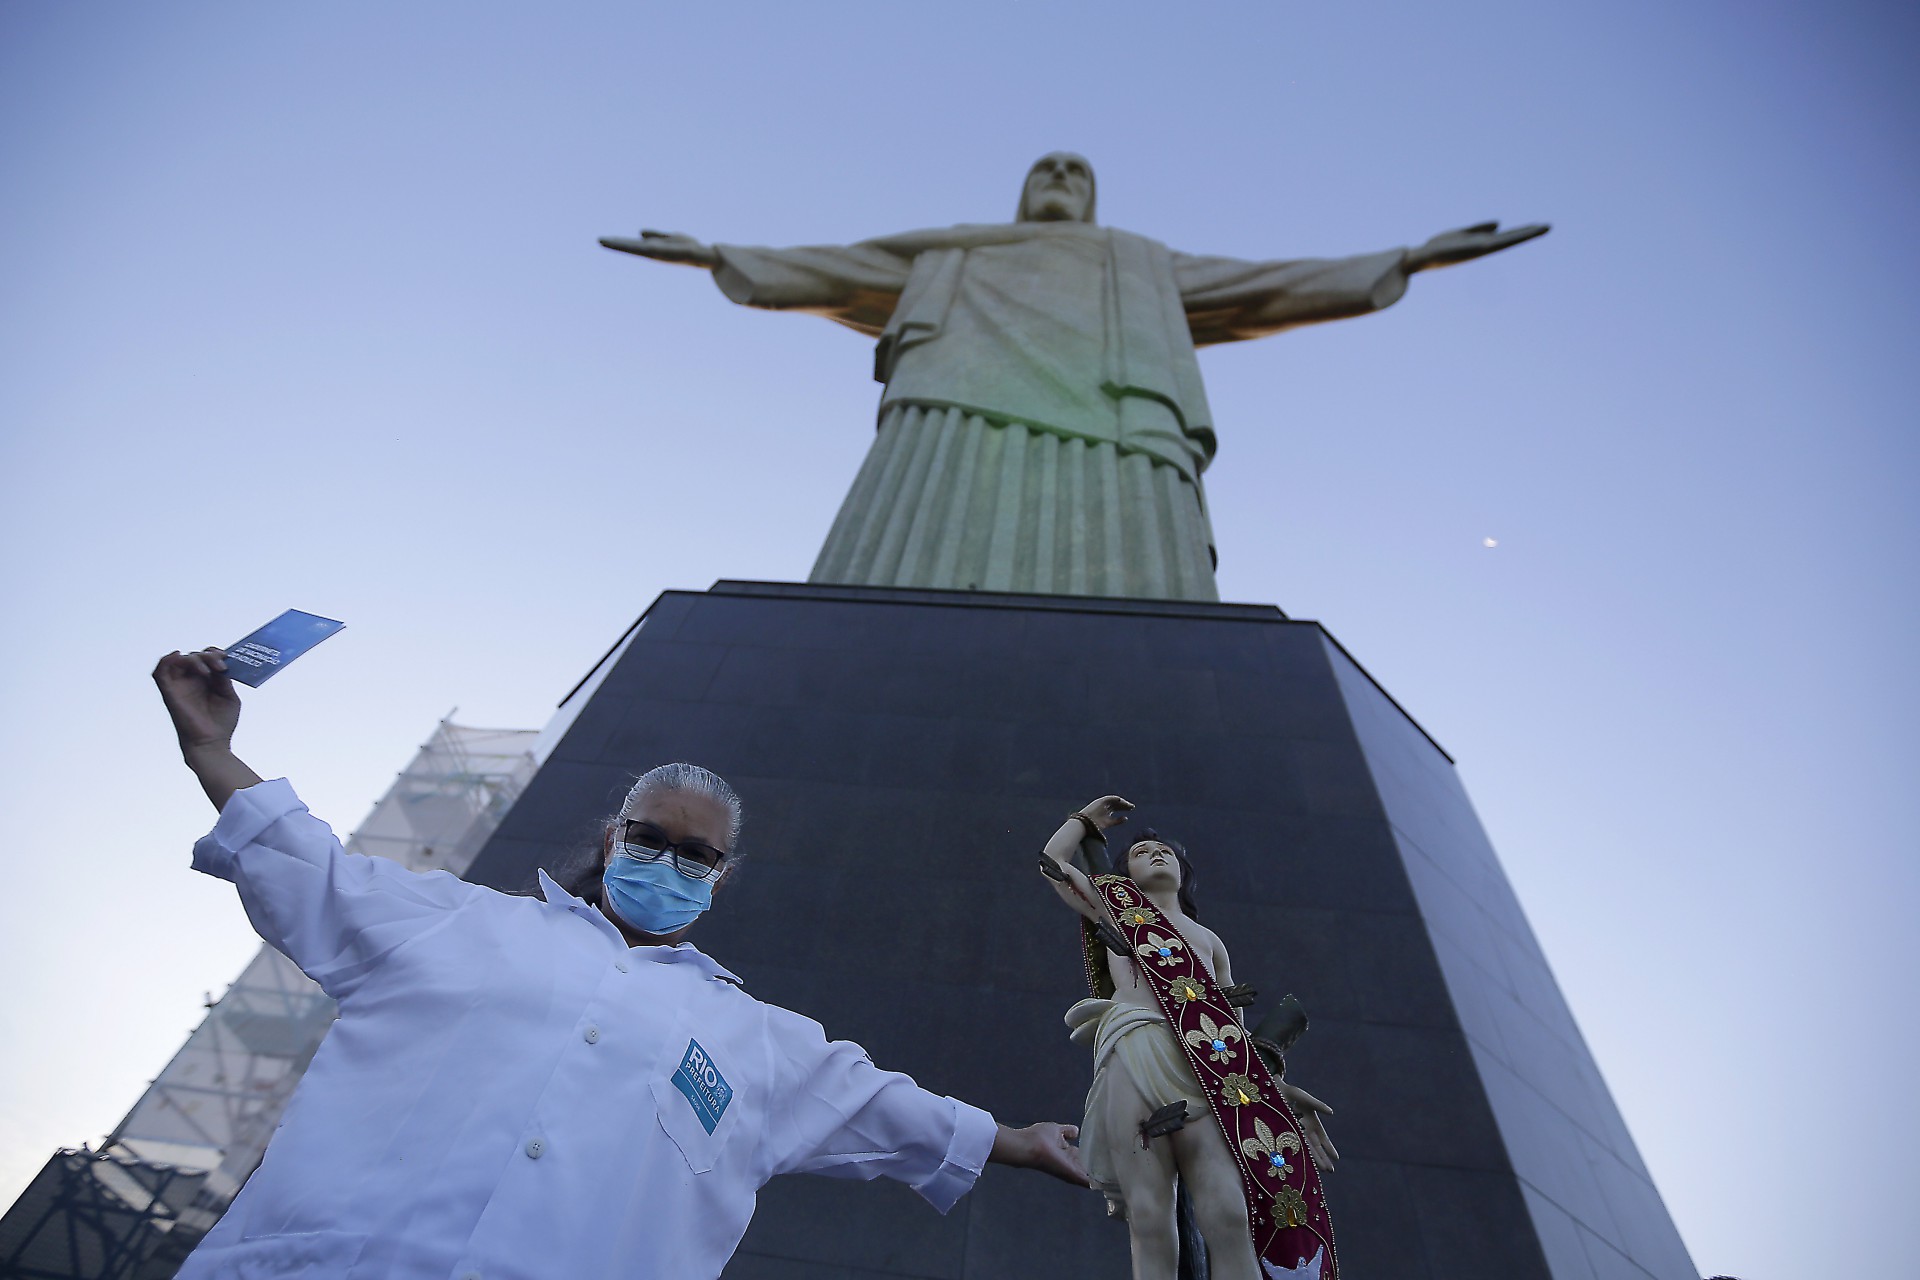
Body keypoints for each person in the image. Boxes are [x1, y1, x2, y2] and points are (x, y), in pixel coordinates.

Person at [152, 647, 1086, 1280]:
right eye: (653, 837)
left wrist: (1021, 1141)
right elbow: (307, 865)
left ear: (721, 881)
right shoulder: (458, 924)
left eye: (699, 855)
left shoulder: (755, 1042)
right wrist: (212, 750)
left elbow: (880, 1104)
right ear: (614, 838)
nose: (672, 862)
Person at [602, 152, 1546, 602]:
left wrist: (1411, 258)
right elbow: (833, 267)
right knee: (900, 564)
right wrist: (714, 253)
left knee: (1138, 584)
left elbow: (1265, 285)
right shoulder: (956, 248)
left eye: (1075, 170)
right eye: (1045, 167)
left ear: (1093, 198)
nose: (1058, 174)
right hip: (953, 412)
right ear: (1022, 190)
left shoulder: (1137, 260)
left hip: (1118, 425)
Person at [1040, 796, 1338, 1280]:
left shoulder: (1209, 939)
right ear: (1126, 876)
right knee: (1151, 1218)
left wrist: (1275, 1087)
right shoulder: (1114, 910)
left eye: (1166, 853)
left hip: (1208, 1072)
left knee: (1229, 1214)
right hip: (1136, 1048)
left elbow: (1231, 1029)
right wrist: (1083, 821)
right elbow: (1053, 864)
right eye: (1141, 853)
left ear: (1183, 872)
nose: (1157, 855)